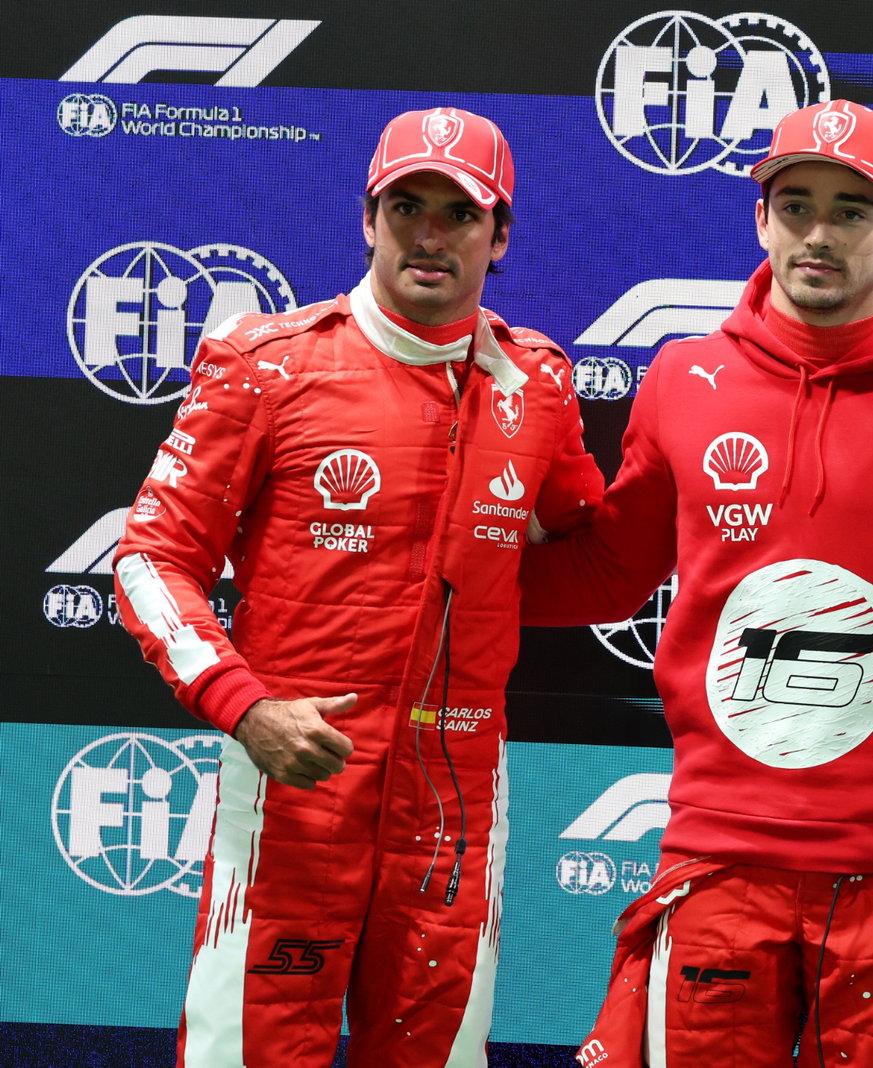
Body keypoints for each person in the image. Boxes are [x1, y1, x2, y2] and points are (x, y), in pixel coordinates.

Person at [521, 99, 873, 1067]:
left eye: (851, 210)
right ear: (760, 217)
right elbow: (605, 572)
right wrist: (423, 580)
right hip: (717, 864)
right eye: (795, 205)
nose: (819, 233)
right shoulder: (681, 378)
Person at [113, 106, 602, 1066]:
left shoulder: (537, 383)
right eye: (406, 205)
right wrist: (245, 707)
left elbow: (588, 552)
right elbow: (149, 558)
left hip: (455, 797)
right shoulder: (266, 366)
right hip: (294, 784)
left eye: (460, 213)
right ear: (368, 218)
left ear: (499, 237)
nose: (430, 234)